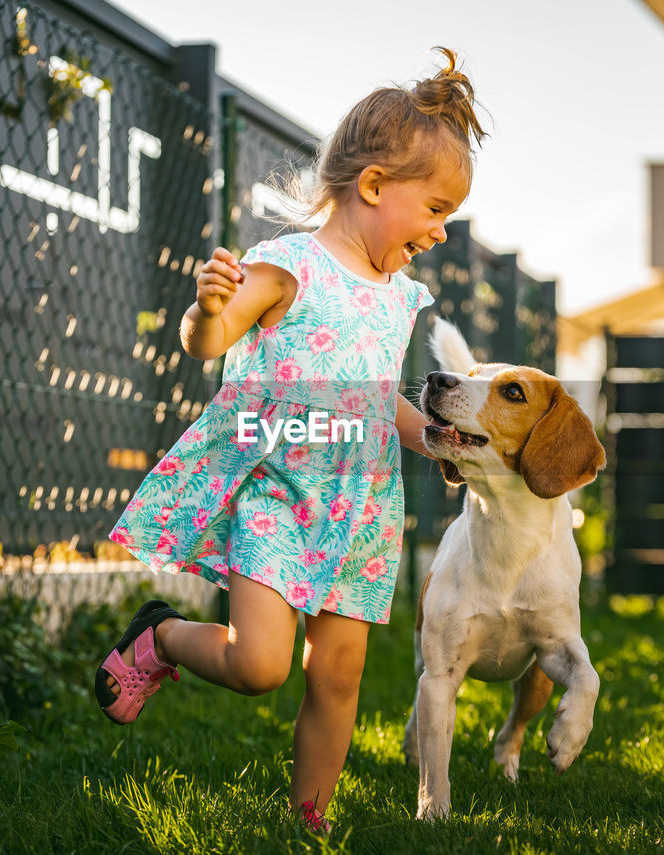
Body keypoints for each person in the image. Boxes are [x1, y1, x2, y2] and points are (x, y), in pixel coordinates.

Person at [94, 47, 487, 831]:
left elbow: (382, 407)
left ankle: (307, 819)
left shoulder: (398, 297)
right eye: (436, 208)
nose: (442, 231)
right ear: (374, 186)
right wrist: (208, 309)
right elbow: (208, 343)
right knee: (261, 664)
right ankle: (162, 637)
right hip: (280, 494)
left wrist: (440, 439)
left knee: (336, 676)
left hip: (361, 511)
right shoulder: (288, 266)